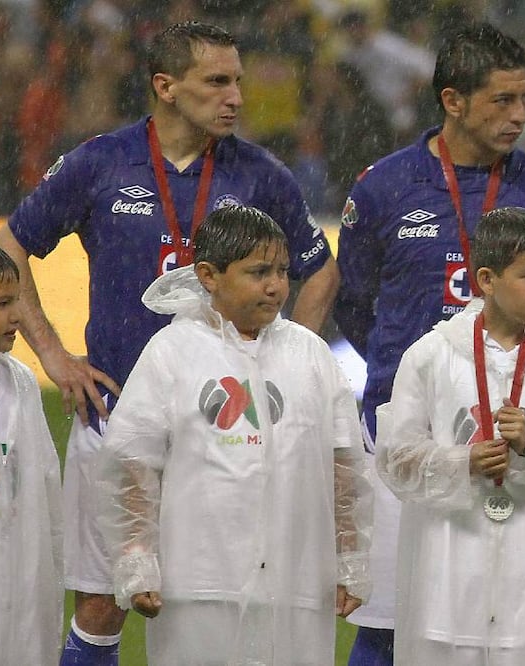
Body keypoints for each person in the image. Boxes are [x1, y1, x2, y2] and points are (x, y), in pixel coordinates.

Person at [0, 21, 340, 665]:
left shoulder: (261, 173)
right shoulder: (101, 163)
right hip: (117, 418)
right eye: (217, 81)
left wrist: (283, 364)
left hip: (226, 433)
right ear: (166, 87)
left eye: (237, 80)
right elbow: (11, 246)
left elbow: (320, 268)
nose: (235, 95)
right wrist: (55, 355)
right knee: (102, 605)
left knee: (222, 597)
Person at [333, 21, 525, 665]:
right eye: (502, 100)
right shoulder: (385, 189)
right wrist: (428, 378)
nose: (519, 116)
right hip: (408, 438)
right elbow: (356, 304)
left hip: (515, 442)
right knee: (387, 622)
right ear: (452, 100)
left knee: (514, 630)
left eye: (524, 99)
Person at [96, 205, 372, 665]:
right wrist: (136, 559)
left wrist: (350, 559)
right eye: (258, 271)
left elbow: (344, 465)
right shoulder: (173, 351)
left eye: (283, 271)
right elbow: (131, 462)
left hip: (297, 580)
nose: (276, 285)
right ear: (208, 275)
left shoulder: (310, 354)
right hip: (198, 583)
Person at [375, 207, 525, 665]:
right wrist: (462, 463)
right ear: (486, 279)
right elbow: (395, 459)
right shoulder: (431, 356)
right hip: (448, 582)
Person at [0, 242, 63, 665]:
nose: (17, 316)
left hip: (19, 574)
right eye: (2, 304)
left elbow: (45, 484)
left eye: (16, 301)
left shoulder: (21, 382)